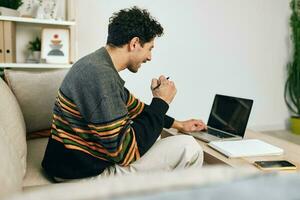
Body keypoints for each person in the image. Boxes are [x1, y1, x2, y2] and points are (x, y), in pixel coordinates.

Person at [42, 6, 207, 181]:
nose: (150, 57)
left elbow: (136, 108)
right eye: (150, 48)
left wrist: (180, 125)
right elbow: (126, 152)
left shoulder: (98, 64)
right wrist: (161, 102)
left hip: (73, 163)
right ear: (134, 43)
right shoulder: (100, 76)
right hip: (79, 175)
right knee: (189, 148)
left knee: (155, 133)